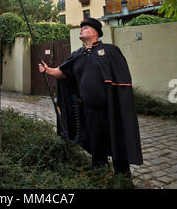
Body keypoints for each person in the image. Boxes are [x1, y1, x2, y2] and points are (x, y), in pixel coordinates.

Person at [38, 17, 143, 176]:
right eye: (81, 28)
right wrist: (48, 70)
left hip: (111, 109)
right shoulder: (77, 55)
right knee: (95, 142)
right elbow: (62, 72)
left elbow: (122, 79)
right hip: (89, 110)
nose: (81, 30)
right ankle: (99, 172)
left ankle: (122, 176)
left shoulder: (110, 51)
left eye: (85, 28)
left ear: (95, 33)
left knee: (117, 141)